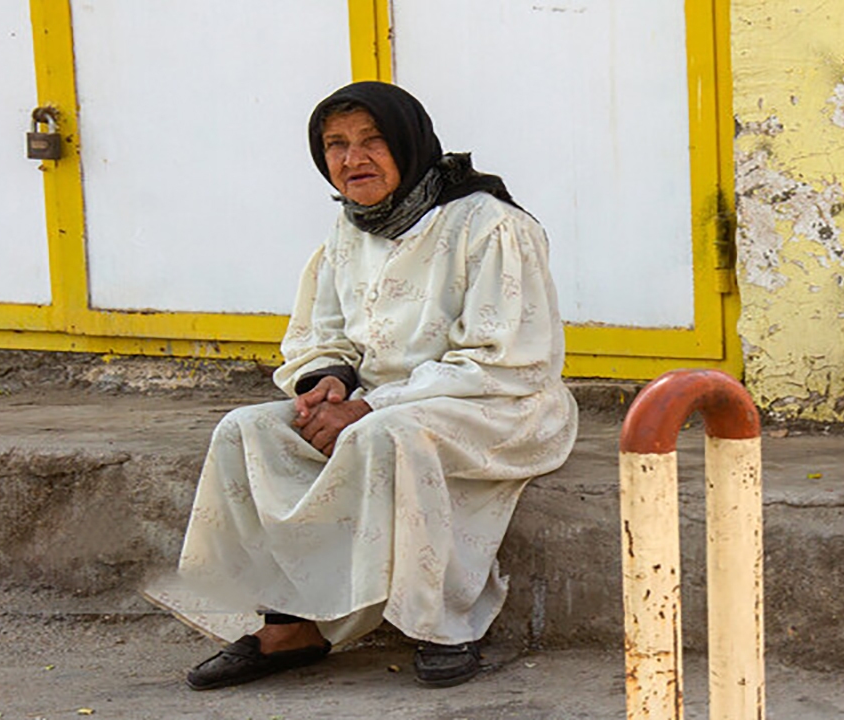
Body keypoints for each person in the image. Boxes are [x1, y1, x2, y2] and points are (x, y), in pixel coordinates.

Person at [171, 81, 578, 690]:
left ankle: (445, 625)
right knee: (246, 430)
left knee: (388, 435)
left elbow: (503, 359)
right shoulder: (350, 228)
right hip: (377, 403)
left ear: (409, 144)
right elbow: (321, 330)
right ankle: (290, 625)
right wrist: (330, 382)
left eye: (371, 141)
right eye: (335, 145)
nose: (351, 160)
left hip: (497, 404)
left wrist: (368, 405)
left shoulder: (489, 226)